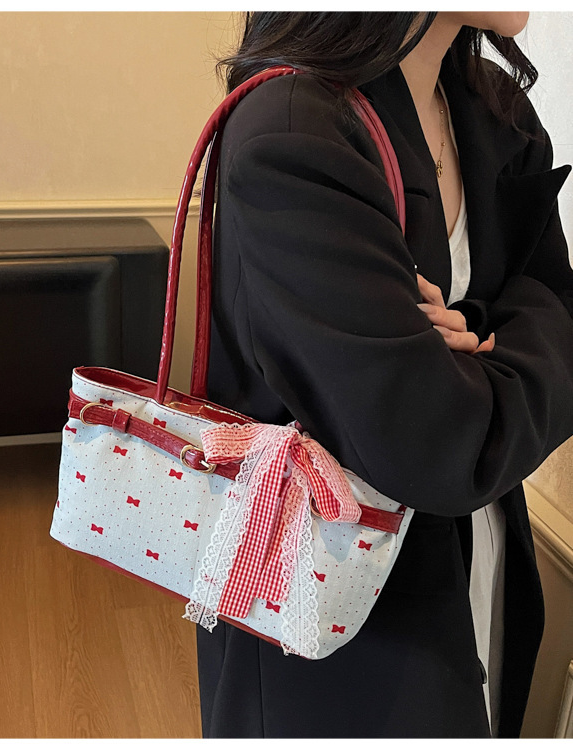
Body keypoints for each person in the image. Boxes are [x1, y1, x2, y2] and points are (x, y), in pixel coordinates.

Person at [196, 11, 573, 739]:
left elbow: (561, 303)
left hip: (484, 565)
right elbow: (444, 445)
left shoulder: (491, 105)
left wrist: (473, 334)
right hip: (342, 637)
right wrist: (516, 340)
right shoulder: (294, 129)